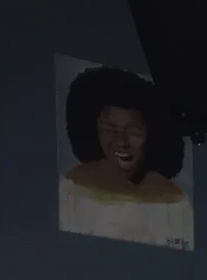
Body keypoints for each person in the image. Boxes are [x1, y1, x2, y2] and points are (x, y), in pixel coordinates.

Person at [59, 66, 192, 249]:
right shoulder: (73, 189)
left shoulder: (174, 201)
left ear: (152, 135)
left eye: (133, 131)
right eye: (109, 129)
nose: (121, 141)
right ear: (93, 129)